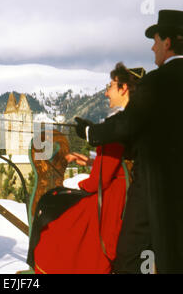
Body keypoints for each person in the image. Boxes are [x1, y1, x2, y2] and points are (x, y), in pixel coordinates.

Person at [75, 10, 183, 273]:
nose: (153, 47)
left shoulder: (155, 82)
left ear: (168, 42)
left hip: (153, 185)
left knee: (133, 253)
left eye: (156, 40)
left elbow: (127, 124)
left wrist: (90, 133)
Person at [30, 63, 144, 274]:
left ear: (124, 88)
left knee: (53, 228)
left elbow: (97, 182)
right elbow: (120, 162)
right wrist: (92, 161)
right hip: (124, 192)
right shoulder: (135, 120)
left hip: (110, 200)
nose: (106, 92)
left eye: (111, 86)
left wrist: (79, 184)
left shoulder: (116, 124)